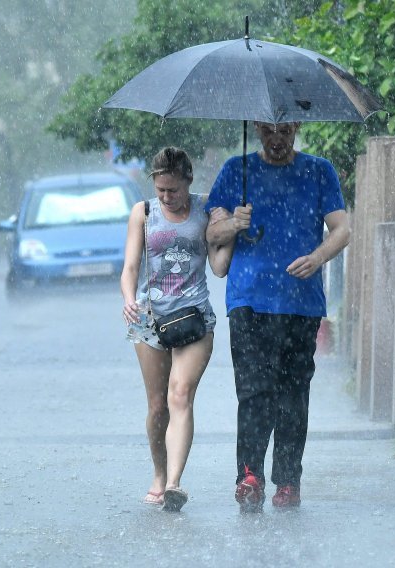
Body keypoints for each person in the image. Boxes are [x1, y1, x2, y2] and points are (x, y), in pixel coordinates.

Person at [205, 121, 351, 511]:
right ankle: (249, 475)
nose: (277, 138)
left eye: (284, 130)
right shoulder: (236, 171)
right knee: (253, 392)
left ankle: (288, 480)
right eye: (269, 130)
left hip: (300, 303)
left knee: (292, 395)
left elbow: (341, 229)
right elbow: (212, 235)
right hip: (249, 300)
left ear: (296, 127)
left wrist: (317, 257)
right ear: (256, 128)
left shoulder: (319, 170)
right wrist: (235, 222)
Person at [121, 147, 230, 512]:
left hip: (194, 317)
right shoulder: (144, 212)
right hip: (149, 320)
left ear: (188, 180)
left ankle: (173, 484)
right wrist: (127, 297)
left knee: (180, 394)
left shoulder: (207, 209)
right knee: (157, 407)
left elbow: (218, 267)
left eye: (174, 190)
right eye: (161, 189)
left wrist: (229, 231)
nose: (167, 197)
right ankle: (158, 471)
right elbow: (131, 266)